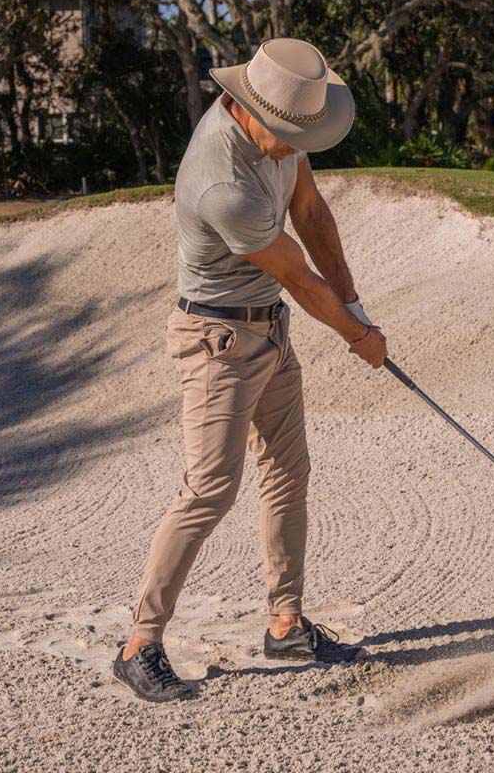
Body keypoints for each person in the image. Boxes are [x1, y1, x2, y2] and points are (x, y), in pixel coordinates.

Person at [113, 38, 387, 702]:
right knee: (210, 489)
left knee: (289, 472)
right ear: (246, 107)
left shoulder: (285, 134)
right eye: (290, 135)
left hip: (269, 329)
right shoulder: (223, 183)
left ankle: (285, 623)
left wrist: (354, 302)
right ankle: (139, 644)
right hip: (218, 341)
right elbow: (296, 274)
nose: (296, 149)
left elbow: (311, 212)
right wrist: (358, 336)